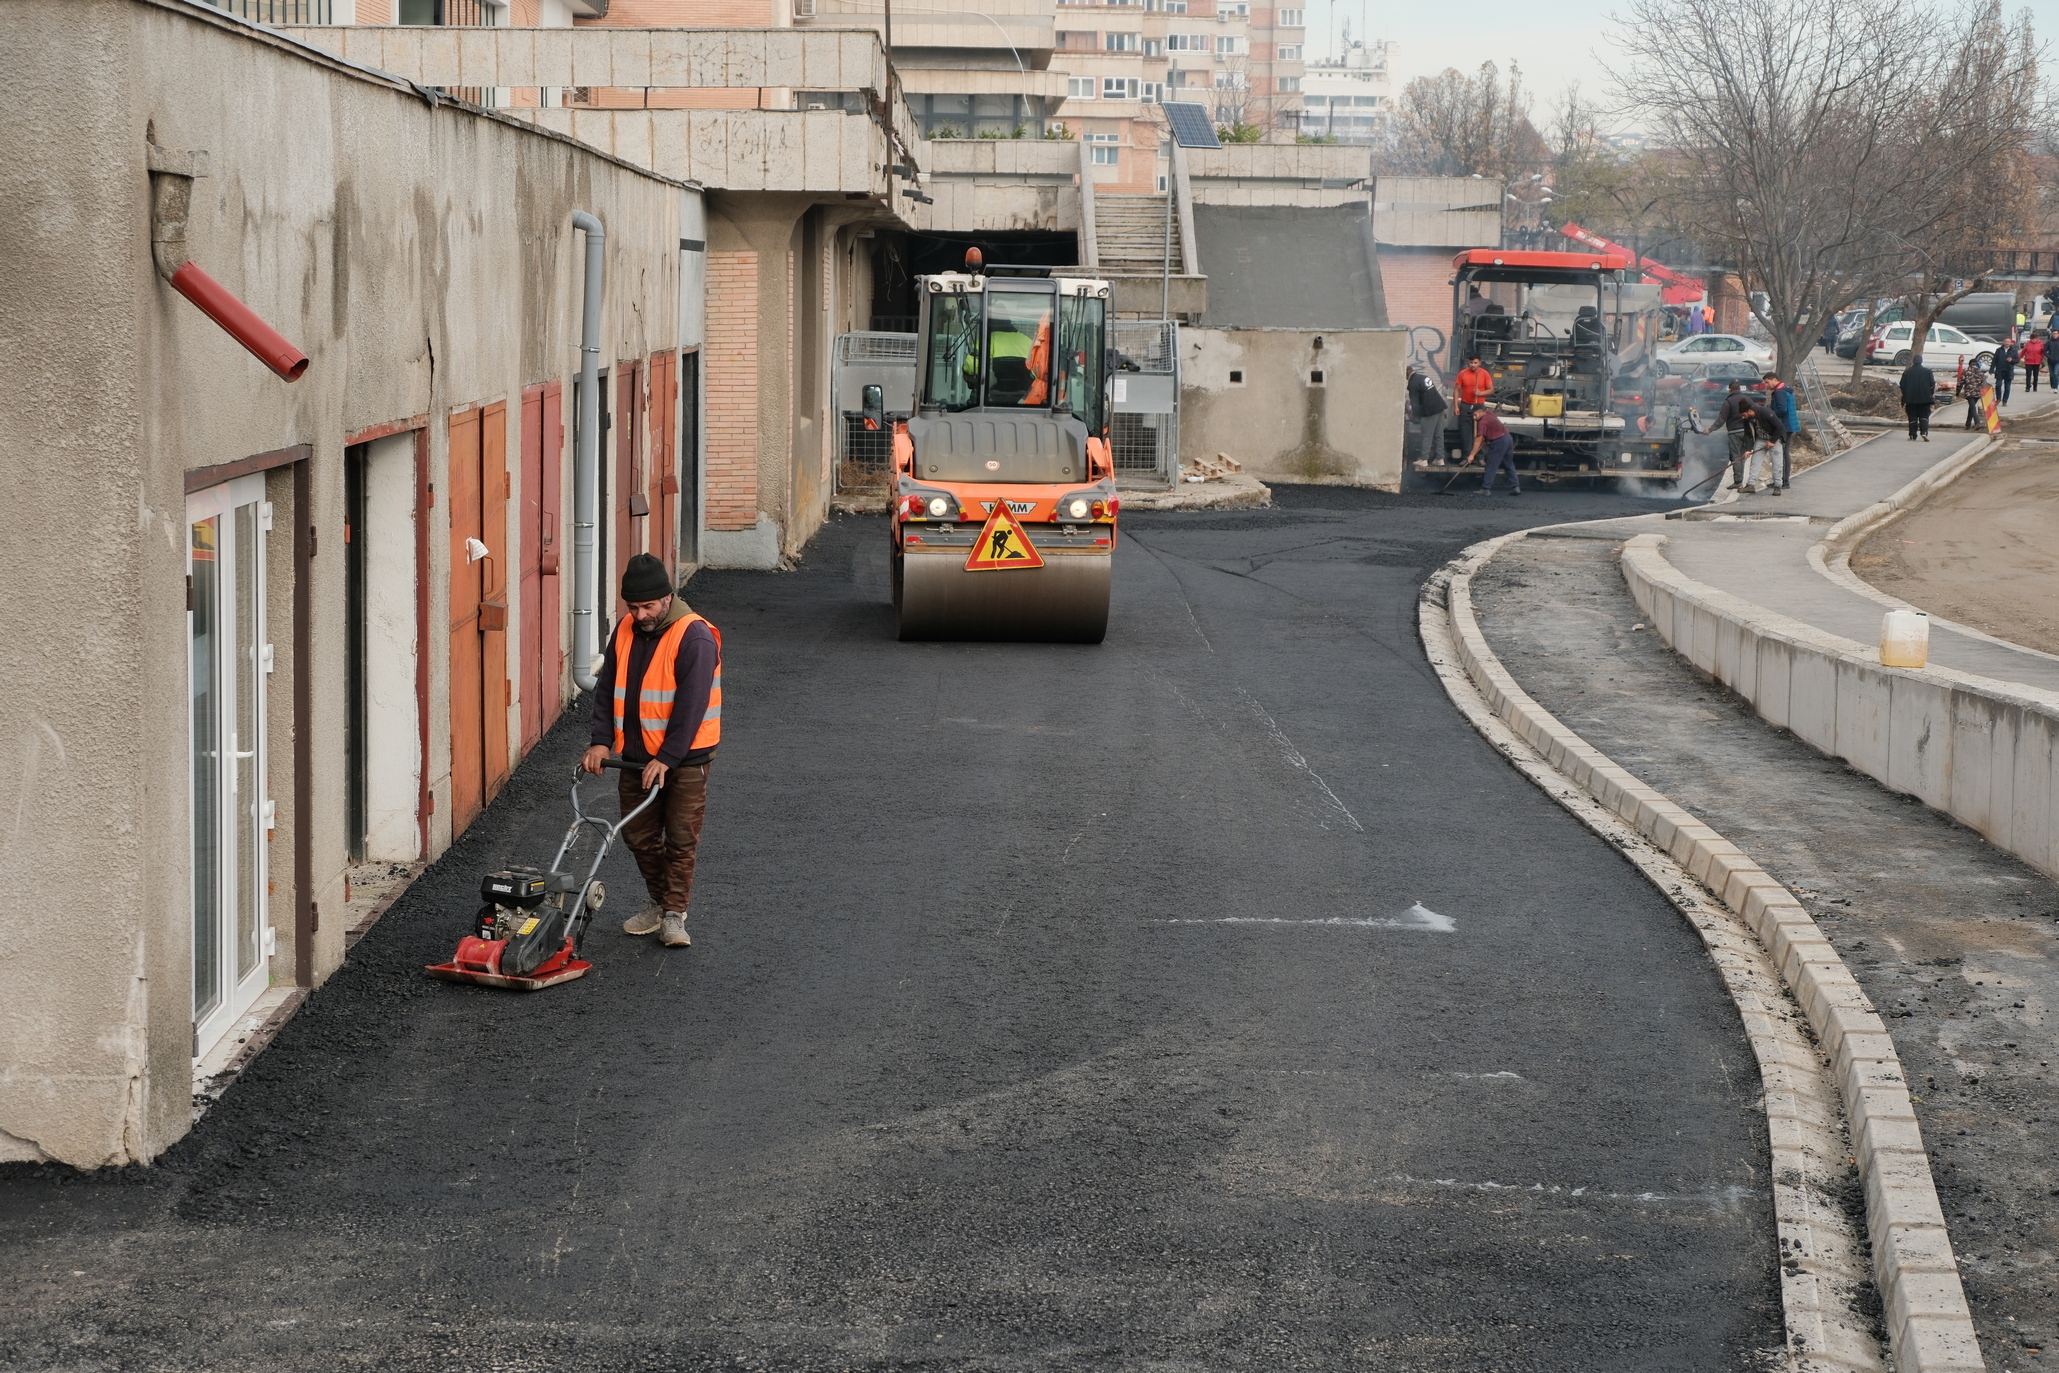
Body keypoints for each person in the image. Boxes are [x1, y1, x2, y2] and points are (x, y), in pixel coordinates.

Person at [583, 553, 722, 949]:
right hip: (635, 754)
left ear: (667, 597)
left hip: (686, 758)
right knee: (639, 836)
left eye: (647, 606)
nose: (640, 614)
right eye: (632, 606)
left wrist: (668, 758)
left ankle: (674, 915)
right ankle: (660, 903)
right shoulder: (625, 630)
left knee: (680, 839)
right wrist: (600, 741)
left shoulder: (693, 636)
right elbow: (607, 690)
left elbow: (691, 706)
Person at [1717, 382, 1768, 490]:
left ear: (1730, 389)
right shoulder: (1747, 399)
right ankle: (1743, 479)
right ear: (1739, 389)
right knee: (1743, 455)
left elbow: (1722, 418)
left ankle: (1738, 481)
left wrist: (1710, 429)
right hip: (1747, 432)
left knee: (1735, 456)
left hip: (1734, 432)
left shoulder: (1728, 401)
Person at [1759, 371, 1800, 492]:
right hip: (1790, 425)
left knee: (1782, 453)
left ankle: (1783, 481)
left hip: (1784, 426)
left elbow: (1781, 409)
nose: (1766, 386)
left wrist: (1769, 416)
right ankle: (1783, 480)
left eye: (1767, 382)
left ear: (1774, 379)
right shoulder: (1785, 389)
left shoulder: (1779, 392)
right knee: (1784, 452)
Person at [1466, 402, 1518, 495]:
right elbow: (1492, 428)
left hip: (1499, 442)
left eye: (1475, 415)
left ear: (1480, 412)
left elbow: (1478, 440)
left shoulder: (1482, 422)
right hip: (1508, 438)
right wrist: (1487, 438)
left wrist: (1472, 455)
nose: (1474, 418)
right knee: (1509, 463)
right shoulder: (1489, 413)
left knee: (1491, 464)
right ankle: (1516, 487)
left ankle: (1486, 488)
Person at [1406, 364, 1447, 465]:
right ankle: (1440, 458)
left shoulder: (1412, 383)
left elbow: (1414, 403)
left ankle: (1424, 459)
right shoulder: (1424, 377)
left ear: (1406, 374)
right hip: (1440, 406)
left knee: (1427, 435)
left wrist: (1415, 417)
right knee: (1439, 435)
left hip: (1429, 410)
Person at [1454, 355, 1494, 459]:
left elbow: (1491, 389)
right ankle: (1466, 457)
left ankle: (1480, 457)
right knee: (1465, 433)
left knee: (1480, 434)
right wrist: (1456, 407)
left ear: (1479, 362)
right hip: (1465, 405)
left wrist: (1480, 393)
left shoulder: (1485, 374)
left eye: (1475, 363)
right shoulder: (1463, 373)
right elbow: (1457, 390)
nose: (1473, 365)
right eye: (1471, 363)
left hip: (1479, 406)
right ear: (1468, 362)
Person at [1899, 354, 1936, 442]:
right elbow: (1932, 384)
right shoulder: (1927, 371)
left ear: (1913, 361)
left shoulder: (1907, 372)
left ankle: (1912, 435)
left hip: (1911, 399)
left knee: (1912, 417)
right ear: (1921, 361)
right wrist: (1930, 393)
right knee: (1924, 415)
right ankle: (1924, 432)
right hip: (1925, 399)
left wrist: (1905, 394)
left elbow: (1902, 385)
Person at [1956, 357, 1987, 430]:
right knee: (1972, 407)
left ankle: (1977, 422)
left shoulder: (1966, 371)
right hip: (1978, 393)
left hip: (1969, 393)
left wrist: (1957, 392)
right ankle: (1968, 424)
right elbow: (1984, 383)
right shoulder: (1981, 372)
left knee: (1972, 407)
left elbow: (1960, 383)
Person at [1993, 339, 2019, 406]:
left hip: (2008, 371)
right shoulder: (1999, 350)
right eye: (2006, 342)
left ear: (2011, 343)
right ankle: (1998, 398)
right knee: (1998, 385)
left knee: (2007, 387)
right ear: (2003, 342)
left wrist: (2012, 360)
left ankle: (2005, 401)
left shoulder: (2014, 350)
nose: (2007, 343)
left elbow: (2017, 360)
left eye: (2008, 342)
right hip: (2000, 371)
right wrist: (1991, 369)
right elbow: (1994, 360)